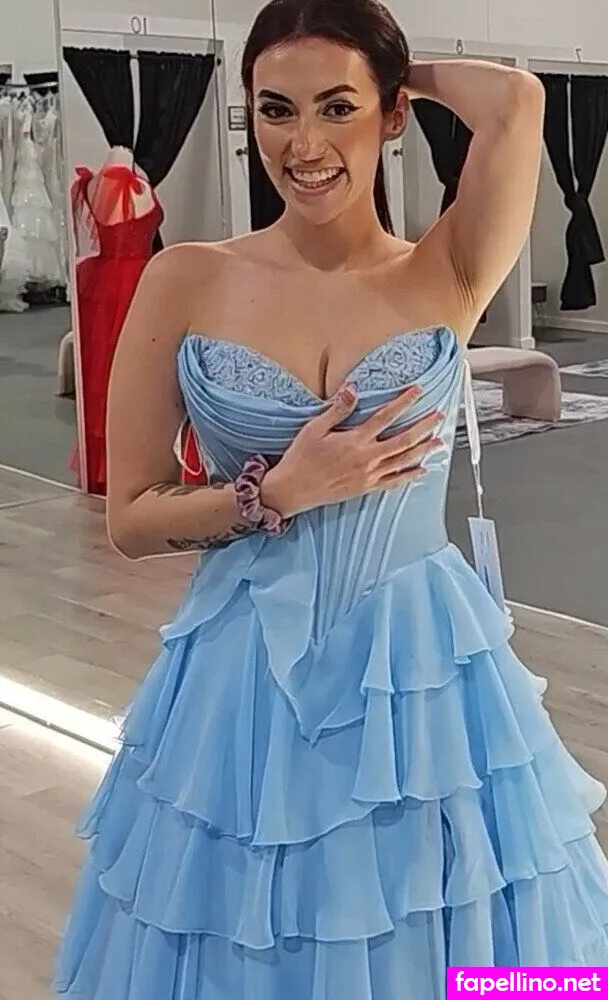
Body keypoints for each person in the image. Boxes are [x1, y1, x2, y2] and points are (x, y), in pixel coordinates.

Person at [55, 0, 608, 996]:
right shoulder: (187, 278)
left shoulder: (446, 268)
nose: (303, 145)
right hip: (242, 669)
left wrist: (399, 70)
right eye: (276, 109)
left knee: (459, 935)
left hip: (420, 667)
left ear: (392, 117)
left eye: (336, 107)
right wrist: (272, 493)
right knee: (239, 935)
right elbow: (130, 516)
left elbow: (518, 101)